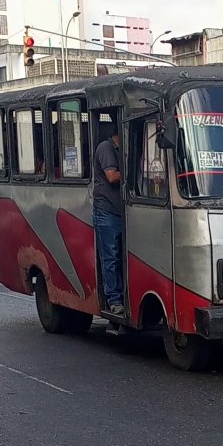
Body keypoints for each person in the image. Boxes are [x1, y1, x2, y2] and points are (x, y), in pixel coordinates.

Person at [93, 126, 124, 315]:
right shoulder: (106, 148)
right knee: (111, 257)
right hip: (106, 211)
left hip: (121, 210)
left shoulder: (120, 149)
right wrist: (139, 171)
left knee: (121, 256)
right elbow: (112, 176)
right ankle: (114, 299)